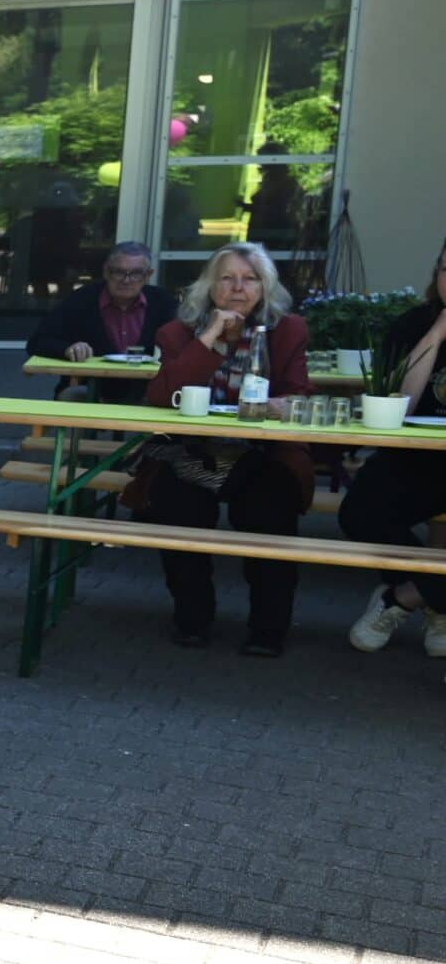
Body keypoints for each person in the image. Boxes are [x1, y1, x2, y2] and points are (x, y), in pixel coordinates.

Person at [136, 244, 312, 655]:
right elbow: (163, 397)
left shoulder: (288, 331)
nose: (238, 288)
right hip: (190, 453)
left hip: (264, 453)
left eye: (249, 279)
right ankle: (192, 619)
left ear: (265, 287)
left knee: (270, 509)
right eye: (227, 279)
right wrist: (210, 339)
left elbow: (300, 394)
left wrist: (284, 406)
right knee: (178, 505)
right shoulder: (177, 334)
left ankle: (269, 629)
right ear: (209, 287)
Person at [340, 238, 446, 655]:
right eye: (445, 267)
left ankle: (403, 597)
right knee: (359, 514)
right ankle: (438, 602)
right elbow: (398, 403)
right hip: (413, 459)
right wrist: (436, 335)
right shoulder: (414, 324)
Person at [24, 242, 172, 404]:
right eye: (119, 272)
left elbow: (183, 345)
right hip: (90, 387)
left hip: (146, 388)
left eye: (136, 273)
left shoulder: (162, 302)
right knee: (72, 396)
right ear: (106, 272)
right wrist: (67, 349)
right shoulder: (81, 300)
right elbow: (37, 342)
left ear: (148, 275)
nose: (126, 280)